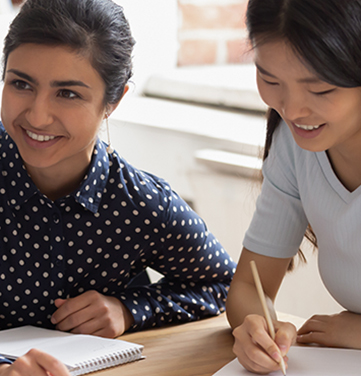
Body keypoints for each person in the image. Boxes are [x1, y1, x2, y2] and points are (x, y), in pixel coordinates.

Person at [0, 0, 236, 374]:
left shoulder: (141, 205)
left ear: (114, 101)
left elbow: (228, 286)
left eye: (68, 93)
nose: (38, 115)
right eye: (21, 84)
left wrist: (129, 309)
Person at [226, 0, 361, 373]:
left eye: (321, 90)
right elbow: (250, 288)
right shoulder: (295, 146)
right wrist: (257, 328)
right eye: (270, 80)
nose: (293, 109)